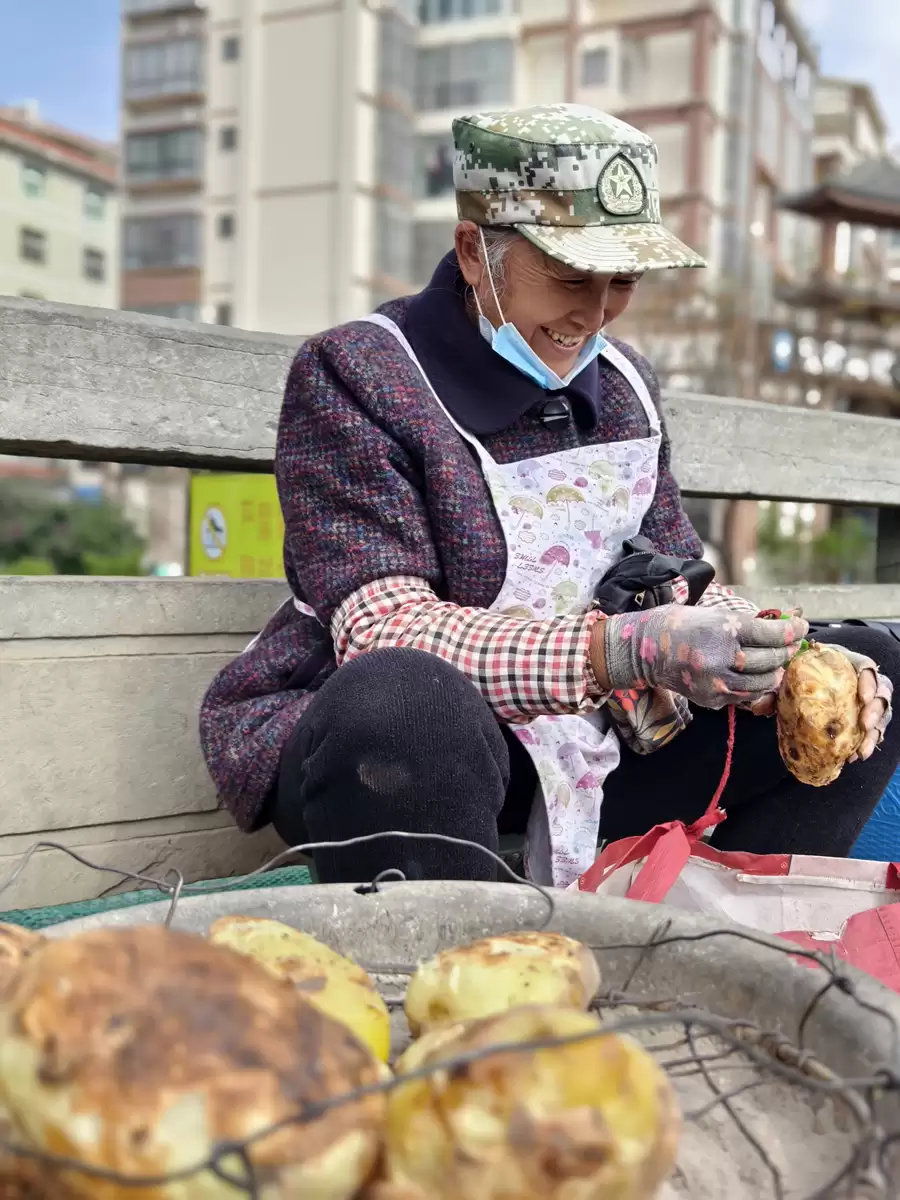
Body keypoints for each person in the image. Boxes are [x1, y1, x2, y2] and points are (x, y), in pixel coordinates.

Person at [200, 103, 898, 887]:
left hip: (598, 746)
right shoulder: (357, 376)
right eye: (570, 278)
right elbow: (381, 630)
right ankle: (467, 970)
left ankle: (719, 938)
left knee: (877, 661)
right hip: (418, 756)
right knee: (405, 704)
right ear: (474, 252)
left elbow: (677, 580)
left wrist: (762, 653)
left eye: (622, 282)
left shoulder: (627, 385)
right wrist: (625, 649)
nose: (593, 315)